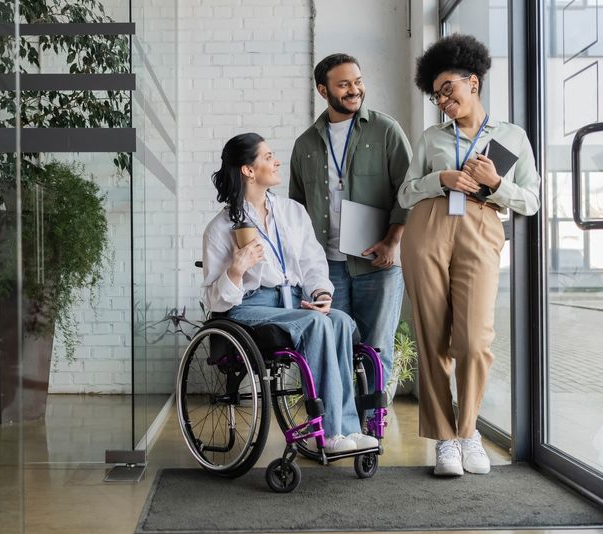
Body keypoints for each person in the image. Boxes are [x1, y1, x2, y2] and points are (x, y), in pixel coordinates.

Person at [399, 34, 540, 476]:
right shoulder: (430, 138)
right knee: (432, 336)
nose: (442, 100)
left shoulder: (512, 136)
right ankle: (446, 439)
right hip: (429, 227)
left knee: (475, 341)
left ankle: (469, 431)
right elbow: (405, 193)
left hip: (481, 226)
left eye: (448, 89)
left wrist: (497, 184)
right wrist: (439, 178)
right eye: (435, 93)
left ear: (472, 82)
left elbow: (532, 201)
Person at [202, 132, 378, 454]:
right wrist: (237, 269)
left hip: (295, 300)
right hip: (249, 308)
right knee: (316, 324)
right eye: (268, 156)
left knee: (337, 320)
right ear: (248, 170)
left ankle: (347, 429)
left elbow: (313, 263)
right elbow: (215, 301)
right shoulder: (221, 228)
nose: (276, 160)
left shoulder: (292, 212)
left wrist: (322, 293)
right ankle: (329, 432)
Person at [289, 53, 412, 395]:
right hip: (326, 267)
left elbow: (408, 189)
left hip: (378, 262)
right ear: (322, 90)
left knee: (377, 348)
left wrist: (393, 241)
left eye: (358, 82)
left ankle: (372, 433)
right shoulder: (305, 145)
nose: (354, 90)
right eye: (343, 84)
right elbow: (296, 211)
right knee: (332, 346)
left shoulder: (386, 130)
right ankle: (341, 428)